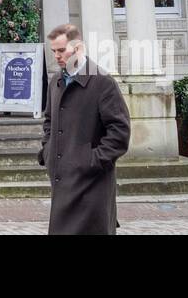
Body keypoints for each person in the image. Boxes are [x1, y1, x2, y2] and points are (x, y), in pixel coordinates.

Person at [37, 24, 130, 235]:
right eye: (53, 51)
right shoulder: (56, 81)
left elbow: (120, 132)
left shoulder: (103, 82)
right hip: (63, 181)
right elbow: (49, 121)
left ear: (78, 49)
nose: (57, 56)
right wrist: (48, 150)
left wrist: (91, 160)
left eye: (61, 50)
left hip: (92, 186)